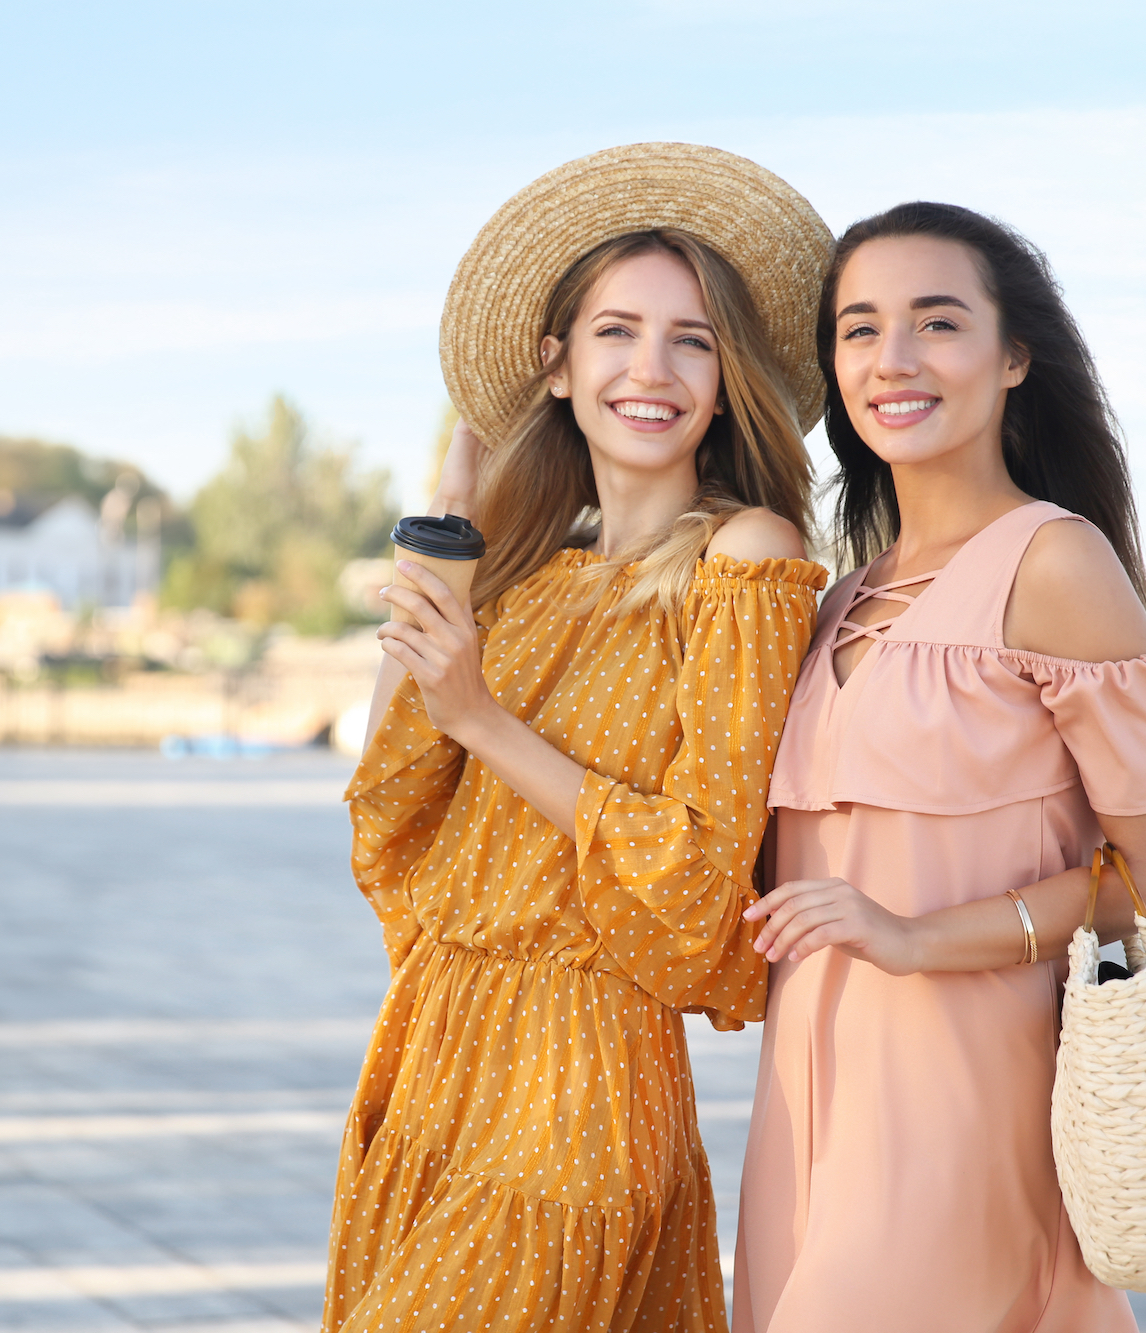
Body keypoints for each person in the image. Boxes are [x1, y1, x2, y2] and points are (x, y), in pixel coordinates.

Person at [731, 202, 1146, 1332]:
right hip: (804, 1097)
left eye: (934, 323)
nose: (890, 359)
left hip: (965, 1088)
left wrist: (910, 936)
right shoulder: (834, 595)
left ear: (1012, 357)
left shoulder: (1052, 561)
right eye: (857, 329)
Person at [326, 143, 834, 1333]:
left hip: (580, 1076)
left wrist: (483, 721)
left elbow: (704, 872)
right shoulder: (522, 577)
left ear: (724, 380)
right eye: (614, 332)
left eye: (690, 339)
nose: (648, 368)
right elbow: (388, 814)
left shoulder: (743, 561)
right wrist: (448, 529)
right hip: (429, 1053)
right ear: (555, 366)